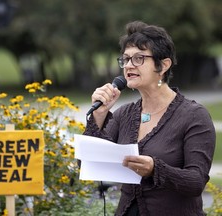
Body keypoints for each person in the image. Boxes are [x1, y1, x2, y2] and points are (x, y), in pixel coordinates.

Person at [83, 21, 216, 216]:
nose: (129, 65)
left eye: (138, 58)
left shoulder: (194, 116)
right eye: (126, 59)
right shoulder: (124, 114)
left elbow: (196, 182)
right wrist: (99, 114)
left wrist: (155, 169)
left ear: (163, 65)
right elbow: (87, 163)